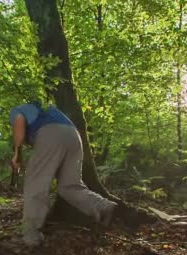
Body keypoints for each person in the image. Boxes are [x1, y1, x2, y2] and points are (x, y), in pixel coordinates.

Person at [9, 102, 117, 246]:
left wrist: (16, 153)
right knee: (69, 186)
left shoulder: (17, 109)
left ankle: (30, 236)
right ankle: (103, 205)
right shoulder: (45, 109)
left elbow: (19, 125)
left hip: (51, 134)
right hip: (74, 136)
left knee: (35, 183)